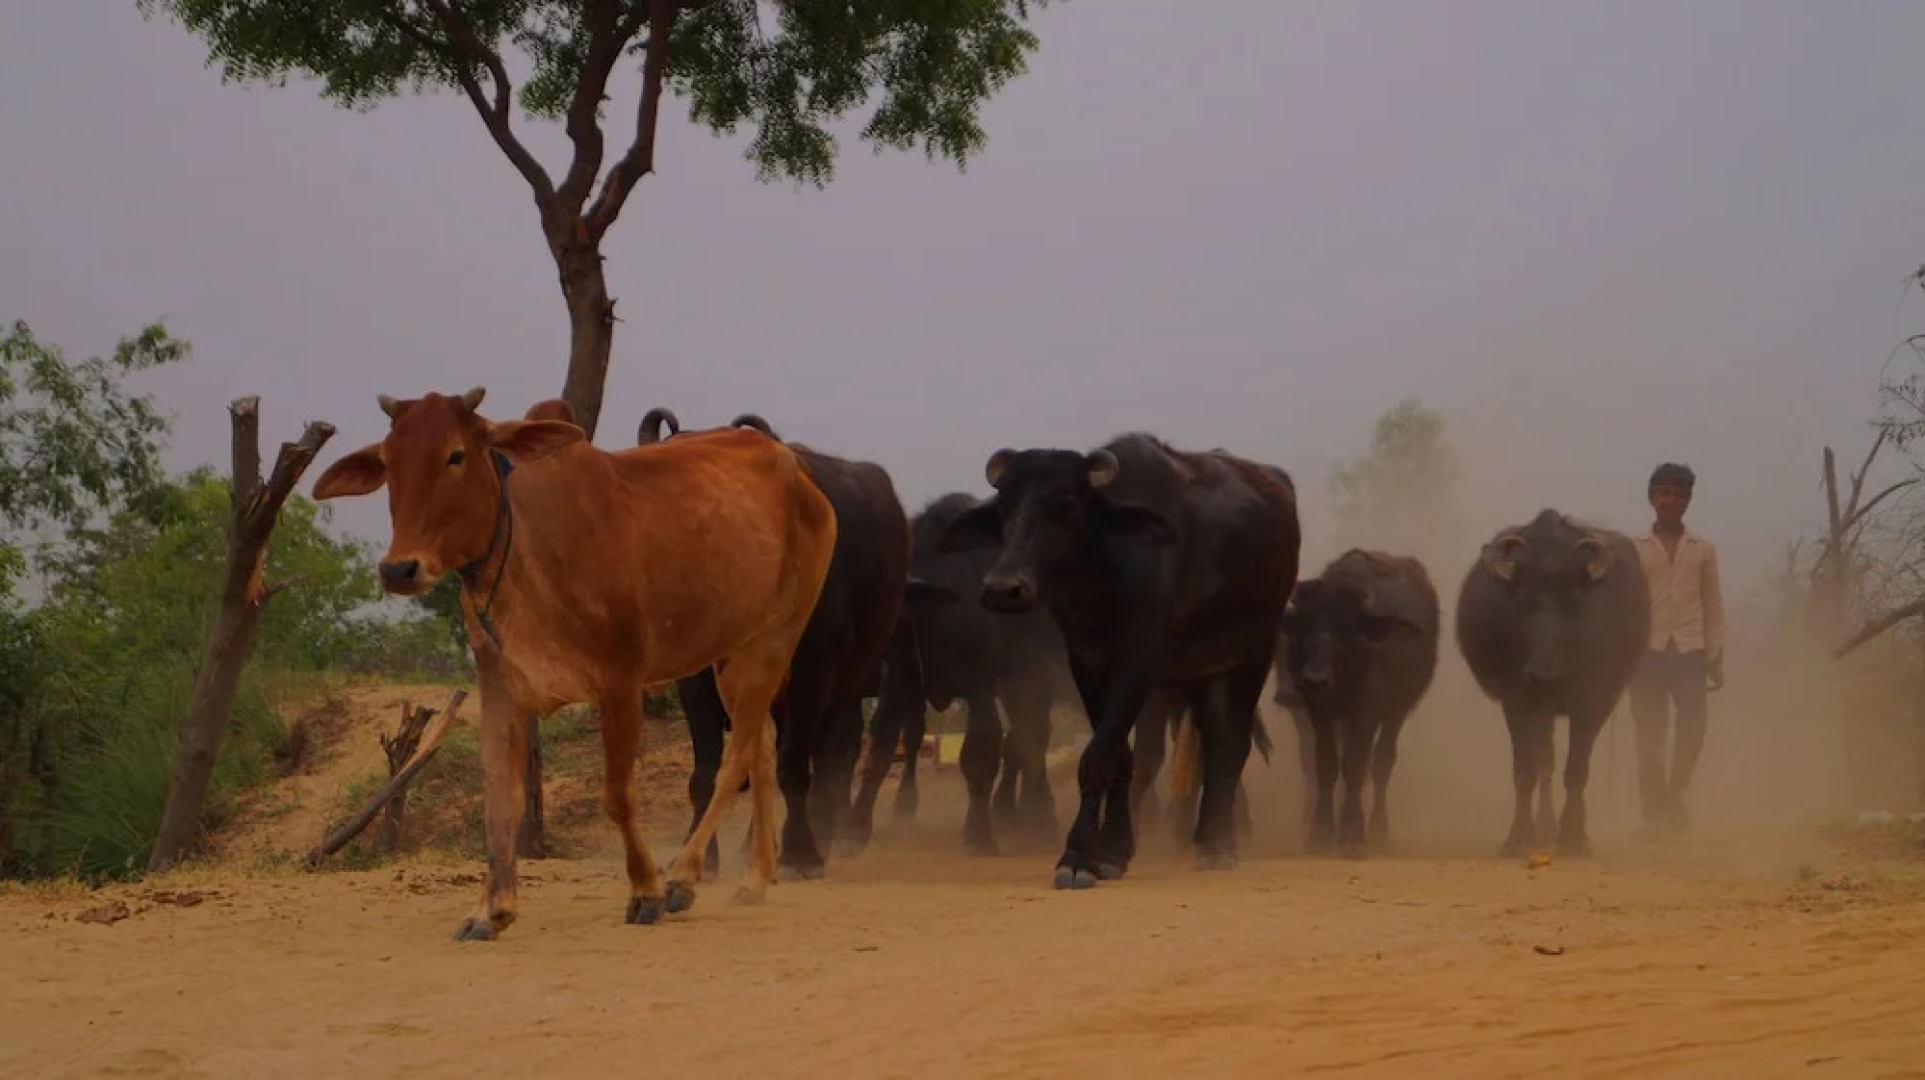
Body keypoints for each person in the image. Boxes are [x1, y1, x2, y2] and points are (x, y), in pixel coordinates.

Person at [1628, 462, 1725, 839]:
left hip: (1690, 648)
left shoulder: (1703, 549)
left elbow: (1712, 604)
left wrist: (1715, 656)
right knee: (1649, 734)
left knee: (1694, 727)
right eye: (1665, 493)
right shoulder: (1634, 548)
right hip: (1647, 650)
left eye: (1680, 494)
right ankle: (1654, 814)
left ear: (1688, 501)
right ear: (1653, 498)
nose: (1672, 500)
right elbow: (1624, 605)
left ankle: (1674, 794)